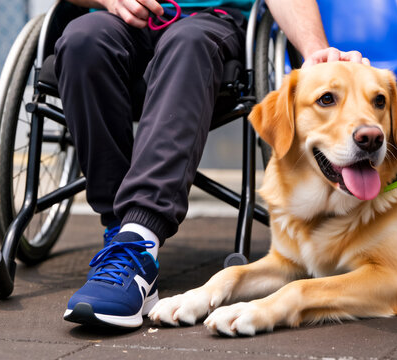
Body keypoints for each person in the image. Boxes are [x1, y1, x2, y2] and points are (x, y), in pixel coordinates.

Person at [57, 0, 369, 329]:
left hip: (207, 25)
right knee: (81, 40)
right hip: (119, 22)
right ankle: (121, 235)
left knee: (189, 41)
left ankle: (140, 240)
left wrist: (314, 51)